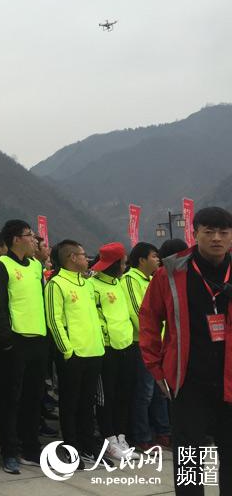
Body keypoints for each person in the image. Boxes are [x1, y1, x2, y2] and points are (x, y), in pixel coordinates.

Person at [140, 207, 232, 496]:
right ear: (195, 233)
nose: (216, 238)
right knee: (189, 458)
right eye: (209, 231)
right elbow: (149, 319)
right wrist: (156, 367)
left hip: (230, 381)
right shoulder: (171, 272)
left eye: (224, 232)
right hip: (188, 380)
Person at [0, 220, 47, 474]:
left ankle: (30, 447)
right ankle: (9, 451)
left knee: (34, 397)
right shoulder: (1, 266)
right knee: (10, 399)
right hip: (15, 342)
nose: (34, 240)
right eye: (29, 235)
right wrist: (6, 340)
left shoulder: (36, 266)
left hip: (38, 339)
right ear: (15, 240)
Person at [45, 240, 105, 468]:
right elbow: (54, 320)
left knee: (88, 403)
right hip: (74, 355)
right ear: (71, 258)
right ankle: (71, 449)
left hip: (94, 351)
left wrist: (99, 343)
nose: (86, 259)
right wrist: (67, 351)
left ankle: (88, 445)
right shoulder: (56, 284)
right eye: (82, 255)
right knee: (70, 404)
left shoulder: (86, 284)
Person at [89, 242, 138, 461]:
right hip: (106, 349)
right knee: (106, 397)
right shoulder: (92, 285)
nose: (125, 266)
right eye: (123, 262)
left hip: (126, 346)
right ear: (116, 263)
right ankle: (109, 439)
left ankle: (121, 436)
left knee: (123, 394)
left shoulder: (119, 283)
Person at [123, 241, 170, 449]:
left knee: (161, 391)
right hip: (143, 344)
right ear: (141, 260)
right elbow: (139, 313)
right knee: (145, 392)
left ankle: (163, 431)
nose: (158, 260)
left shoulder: (152, 279)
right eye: (154, 256)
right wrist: (152, 337)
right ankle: (142, 436)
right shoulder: (130, 280)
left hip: (160, 343)